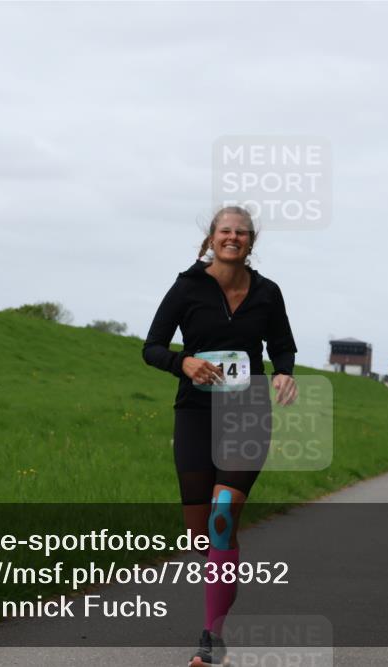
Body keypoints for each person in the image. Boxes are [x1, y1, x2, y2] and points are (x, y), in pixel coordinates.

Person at [143, 206, 298, 667]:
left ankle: (211, 637)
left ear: (252, 241)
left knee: (223, 517)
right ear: (212, 237)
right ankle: (221, 574)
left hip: (247, 412)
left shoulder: (267, 292)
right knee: (200, 536)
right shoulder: (187, 287)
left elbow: (282, 346)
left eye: (241, 232)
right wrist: (183, 363)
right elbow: (151, 347)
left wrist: (283, 373)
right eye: (225, 231)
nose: (233, 237)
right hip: (195, 412)